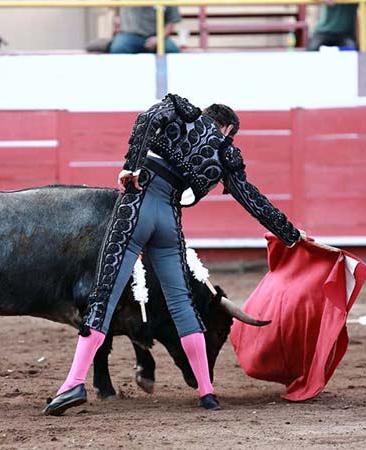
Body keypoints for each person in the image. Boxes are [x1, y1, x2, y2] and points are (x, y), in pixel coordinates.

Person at [42, 94, 306, 416]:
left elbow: (146, 119)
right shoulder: (225, 152)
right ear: (227, 129)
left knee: (105, 296)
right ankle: (207, 393)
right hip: (168, 220)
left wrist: (131, 167)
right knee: (182, 303)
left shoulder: (182, 112)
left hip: (136, 209)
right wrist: (291, 235)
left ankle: (73, 383)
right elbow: (252, 200)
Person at [110, 7, 181, 54]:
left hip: (157, 36)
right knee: (118, 48)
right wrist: (117, 16)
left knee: (173, 52)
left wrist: (159, 38)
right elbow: (116, 5)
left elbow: (171, 21)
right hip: (129, 35)